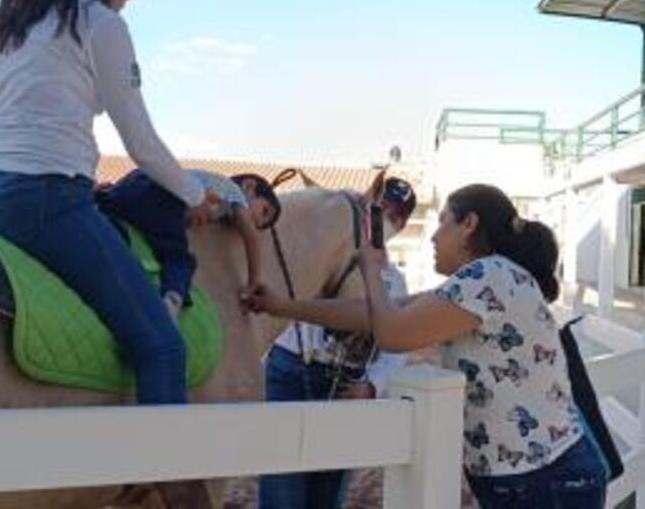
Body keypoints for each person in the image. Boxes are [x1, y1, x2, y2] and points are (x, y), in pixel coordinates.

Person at [0, 0, 214, 406]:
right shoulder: (101, 24)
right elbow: (140, 143)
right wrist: (195, 194)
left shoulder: (19, 12)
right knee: (163, 347)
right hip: (45, 200)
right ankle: (161, 476)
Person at [244, 184, 607, 509]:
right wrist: (282, 306)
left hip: (542, 481)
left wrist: (371, 269)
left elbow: (391, 334)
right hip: (533, 477)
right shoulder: (478, 282)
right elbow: (370, 314)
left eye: (444, 221)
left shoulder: (489, 276)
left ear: (469, 225)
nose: (434, 237)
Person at [257, 177, 418, 509]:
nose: (386, 219)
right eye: (380, 209)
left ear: (401, 224)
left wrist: (372, 386)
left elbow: (396, 346)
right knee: (280, 488)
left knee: (327, 493)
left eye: (395, 215)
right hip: (291, 369)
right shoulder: (319, 252)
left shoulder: (395, 283)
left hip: (345, 383)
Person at [96, 170, 281, 313]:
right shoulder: (234, 193)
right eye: (264, 211)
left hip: (139, 180)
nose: (257, 223)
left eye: (262, 226)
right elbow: (252, 240)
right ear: (249, 186)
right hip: (167, 200)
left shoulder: (209, 182)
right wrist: (253, 284)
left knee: (111, 212)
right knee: (180, 260)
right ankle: (171, 302)